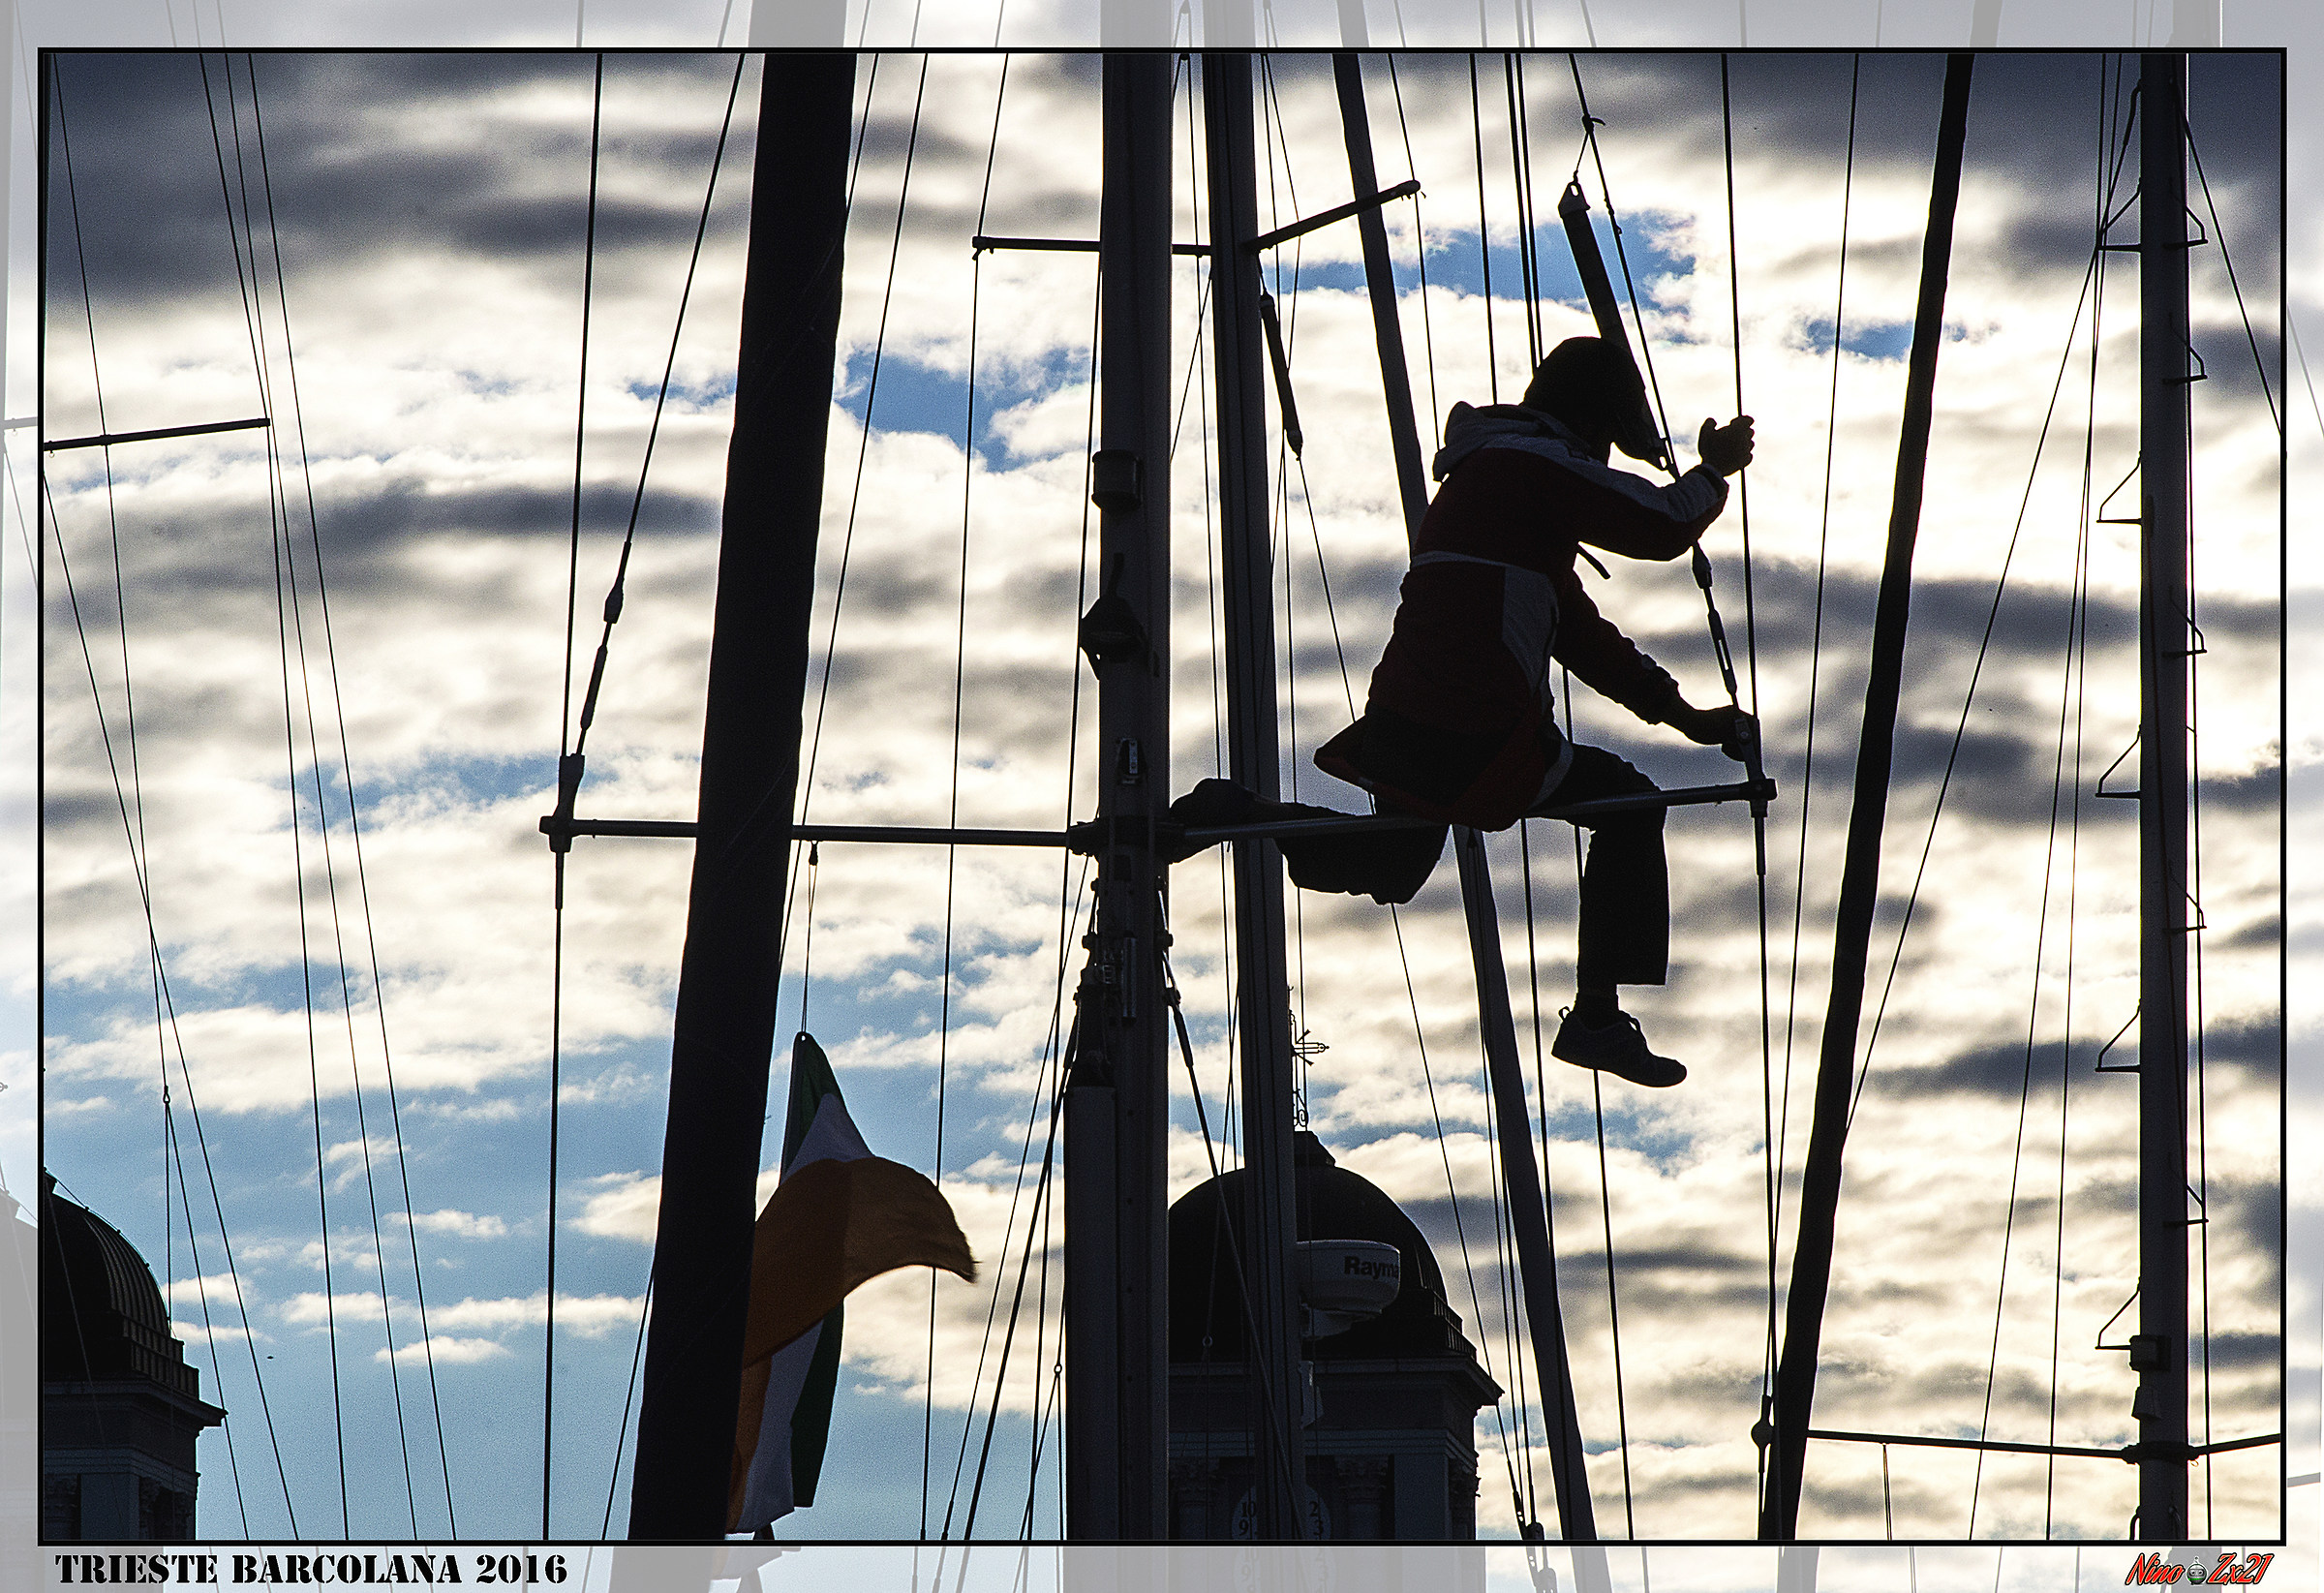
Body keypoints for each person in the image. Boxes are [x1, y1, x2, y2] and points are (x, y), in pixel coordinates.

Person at [1307, 335, 1758, 1088]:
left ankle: (1237, 813)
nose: (1604, 460)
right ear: (1590, 421)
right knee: (1629, 804)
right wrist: (1712, 472)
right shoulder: (1531, 464)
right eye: (1608, 440)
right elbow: (1658, 525)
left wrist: (1688, 719)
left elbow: (1584, 640)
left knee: (1389, 865)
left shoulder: (1496, 488)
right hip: (1475, 734)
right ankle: (1596, 1016)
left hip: (1406, 723)